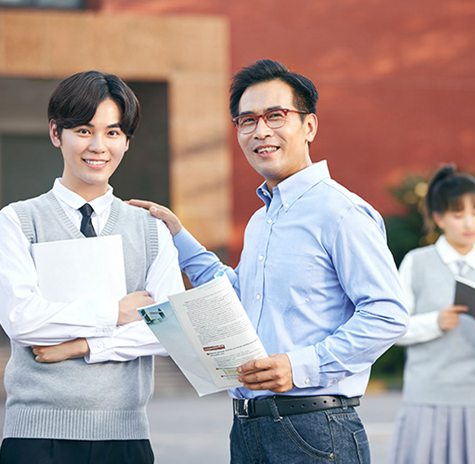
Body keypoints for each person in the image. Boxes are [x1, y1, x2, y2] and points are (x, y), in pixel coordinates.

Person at [131, 59, 409, 463]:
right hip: (247, 429)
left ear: (309, 126)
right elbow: (239, 296)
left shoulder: (341, 212)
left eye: (275, 116)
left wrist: (299, 366)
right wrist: (178, 235)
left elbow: (388, 313)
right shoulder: (263, 219)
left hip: (317, 432)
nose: (260, 131)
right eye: (247, 121)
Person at [0, 71, 185, 464]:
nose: (98, 146)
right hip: (35, 437)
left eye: (113, 133)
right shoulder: (16, 221)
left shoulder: (152, 229)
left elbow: (170, 329)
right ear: (56, 133)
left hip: (126, 437)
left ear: (126, 141)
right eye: (84, 130)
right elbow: (21, 320)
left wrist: (83, 346)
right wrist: (115, 313)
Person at [389, 165, 475, 464]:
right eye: (458, 215)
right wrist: (435, 322)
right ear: (439, 218)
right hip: (426, 400)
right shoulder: (417, 263)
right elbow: (393, 328)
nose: (470, 222)